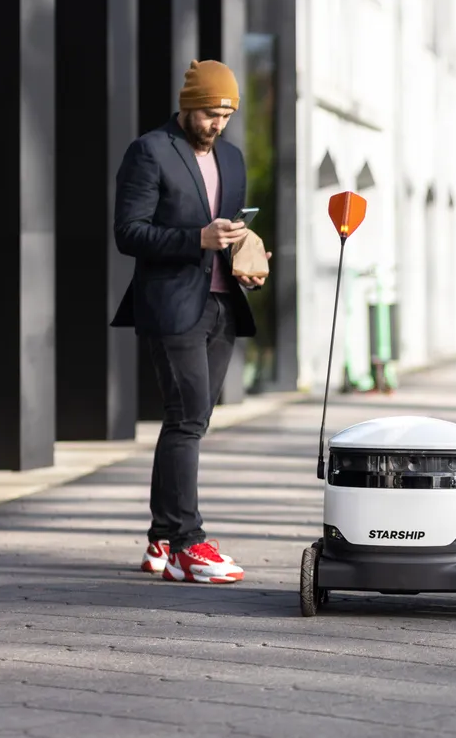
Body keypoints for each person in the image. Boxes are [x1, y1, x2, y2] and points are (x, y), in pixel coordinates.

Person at [111, 59, 268, 585]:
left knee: (191, 419)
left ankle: (162, 535)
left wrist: (245, 257)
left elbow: (232, 230)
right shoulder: (150, 151)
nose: (216, 124)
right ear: (187, 105)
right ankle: (187, 542)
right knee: (187, 416)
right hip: (173, 306)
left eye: (225, 114)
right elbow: (129, 233)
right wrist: (194, 239)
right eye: (208, 113)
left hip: (222, 304)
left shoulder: (233, 158)